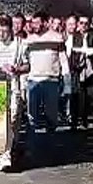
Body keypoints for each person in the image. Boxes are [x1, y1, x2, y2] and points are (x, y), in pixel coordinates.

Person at [0, 17, 29, 172]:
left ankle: (5, 153)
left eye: (5, 31)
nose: (1, 34)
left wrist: (16, 69)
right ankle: (3, 156)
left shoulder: (20, 45)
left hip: (12, 84)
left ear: (10, 30)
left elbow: (27, 66)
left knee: (13, 118)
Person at [22, 12, 71, 159]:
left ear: (45, 23)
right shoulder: (29, 40)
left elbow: (64, 62)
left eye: (37, 23)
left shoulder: (57, 38)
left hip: (51, 81)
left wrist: (67, 84)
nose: (34, 26)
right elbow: (24, 60)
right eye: (33, 23)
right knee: (32, 116)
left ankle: (51, 145)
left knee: (51, 115)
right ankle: (31, 147)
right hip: (33, 81)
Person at [68, 14, 93, 130]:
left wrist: (81, 51)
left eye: (86, 23)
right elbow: (70, 50)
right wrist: (85, 51)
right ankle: (74, 121)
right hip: (76, 70)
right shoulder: (73, 37)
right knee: (75, 95)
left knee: (87, 96)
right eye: (81, 23)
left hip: (89, 70)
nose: (83, 26)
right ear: (78, 24)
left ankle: (85, 120)